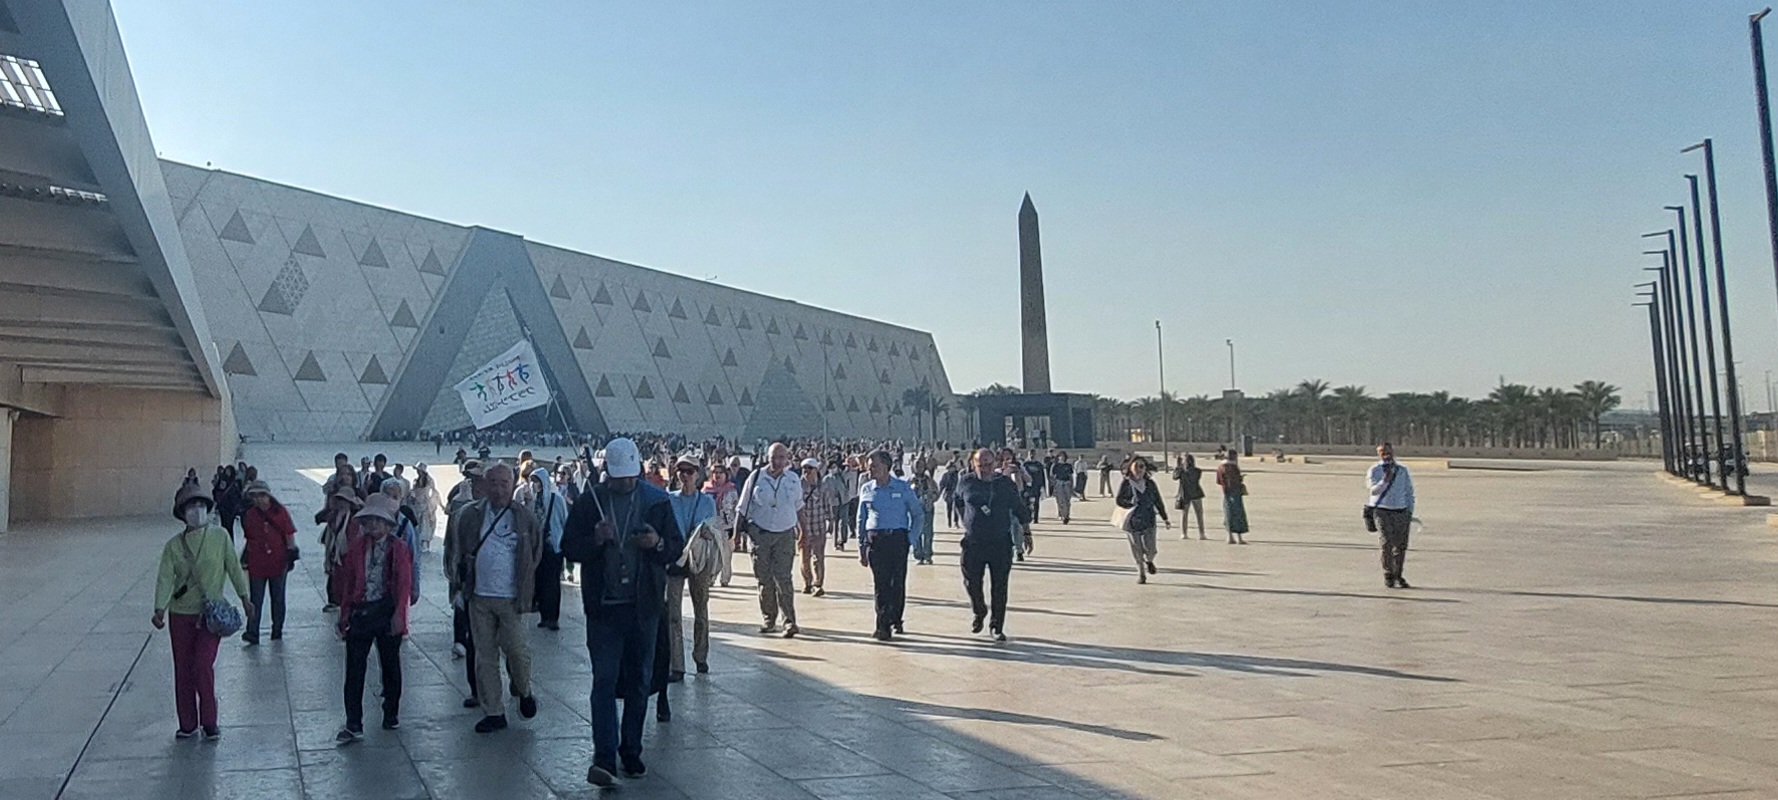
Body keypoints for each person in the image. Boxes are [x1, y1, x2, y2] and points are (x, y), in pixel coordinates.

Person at [559, 437, 682, 787]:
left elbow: (675, 546)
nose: (625, 482)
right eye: (619, 478)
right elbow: (569, 546)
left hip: (643, 606)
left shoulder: (657, 502)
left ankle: (631, 750)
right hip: (604, 608)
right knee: (604, 680)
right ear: (607, 473)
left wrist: (657, 543)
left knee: (639, 680)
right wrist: (596, 539)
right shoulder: (591, 501)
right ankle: (604, 757)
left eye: (630, 476)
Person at [445, 463, 544, 733]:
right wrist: (457, 585)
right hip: (479, 596)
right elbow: (455, 548)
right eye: (494, 483)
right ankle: (494, 711)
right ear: (485, 485)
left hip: (512, 598)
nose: (499, 489)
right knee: (484, 655)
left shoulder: (524, 517)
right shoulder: (470, 515)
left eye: (504, 483)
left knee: (517, 650)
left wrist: (527, 583)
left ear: (512, 485)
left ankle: (523, 690)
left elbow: (535, 552)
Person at [153, 481, 252, 740]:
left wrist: (245, 598)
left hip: (211, 616)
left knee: (202, 665)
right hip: (181, 615)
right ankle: (187, 723)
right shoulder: (173, 546)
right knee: (183, 669)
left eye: (200, 504)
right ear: (182, 513)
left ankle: (209, 719)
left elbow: (233, 567)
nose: (196, 509)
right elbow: (165, 578)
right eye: (191, 506)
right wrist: (159, 608)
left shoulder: (220, 537)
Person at [334, 495, 415, 742]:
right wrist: (344, 613)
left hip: (386, 611)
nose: (373, 525)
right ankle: (353, 722)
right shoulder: (357, 547)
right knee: (354, 669)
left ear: (389, 525)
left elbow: (404, 585)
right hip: (361, 611)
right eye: (369, 520)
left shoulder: (398, 548)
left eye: (379, 521)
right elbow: (349, 583)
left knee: (390, 666)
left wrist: (400, 616)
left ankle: (391, 712)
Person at [957, 449, 1027, 642]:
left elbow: (1018, 507)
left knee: (999, 586)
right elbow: (958, 501)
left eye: (988, 464)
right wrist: (966, 521)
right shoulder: (966, 482)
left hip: (999, 542)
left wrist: (1026, 531)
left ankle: (997, 626)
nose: (985, 469)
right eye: (981, 465)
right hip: (973, 543)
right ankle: (979, 610)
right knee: (971, 582)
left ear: (995, 463)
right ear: (973, 464)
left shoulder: (1004, 484)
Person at [734, 443, 803, 637]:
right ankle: (769, 618)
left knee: (784, 578)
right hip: (761, 534)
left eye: (781, 458)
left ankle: (789, 622)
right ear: (767, 457)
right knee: (764, 579)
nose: (777, 462)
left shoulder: (793, 479)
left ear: (787, 459)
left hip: (785, 534)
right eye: (774, 457)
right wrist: (736, 534)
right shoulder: (756, 477)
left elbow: (799, 506)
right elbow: (742, 506)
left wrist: (804, 531)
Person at [856, 450, 925, 641]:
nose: (870, 470)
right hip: (876, 540)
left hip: (897, 539)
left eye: (874, 466)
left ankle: (896, 617)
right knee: (881, 584)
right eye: (869, 467)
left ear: (886, 467)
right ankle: (882, 625)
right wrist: (861, 545)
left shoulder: (902, 487)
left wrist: (911, 539)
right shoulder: (867, 488)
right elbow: (861, 518)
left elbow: (918, 514)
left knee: (897, 583)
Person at [664, 459, 716, 679]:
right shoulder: (669, 499)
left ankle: (701, 656)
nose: (685, 475)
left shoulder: (707, 501)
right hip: (675, 558)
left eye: (689, 471)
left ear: (698, 474)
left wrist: (706, 533)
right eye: (681, 471)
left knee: (700, 608)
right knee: (673, 613)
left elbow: (714, 530)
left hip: (698, 558)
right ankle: (676, 665)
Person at [239, 481, 296, 645]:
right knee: (256, 599)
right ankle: (252, 631)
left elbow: (289, 534)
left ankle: (277, 629)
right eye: (255, 496)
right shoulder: (250, 514)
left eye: (261, 495)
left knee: (278, 598)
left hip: (278, 561)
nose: (258, 499)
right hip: (257, 563)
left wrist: (290, 555)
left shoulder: (280, 512)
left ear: (268, 496)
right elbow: (249, 537)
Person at [1367, 443, 1416, 589]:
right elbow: (1373, 491)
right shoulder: (1375, 470)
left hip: (1401, 510)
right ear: (1379, 454)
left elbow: (1409, 491)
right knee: (1386, 542)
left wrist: (1410, 510)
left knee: (1400, 545)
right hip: (1382, 510)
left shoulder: (1402, 470)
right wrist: (1385, 480)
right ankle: (1388, 573)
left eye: (1388, 452)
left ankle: (1398, 574)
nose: (1386, 455)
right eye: (1382, 452)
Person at [1115, 457, 1171, 583]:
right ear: (1130, 468)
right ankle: (1141, 574)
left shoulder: (1150, 484)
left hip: (1149, 520)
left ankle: (1149, 561)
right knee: (1137, 549)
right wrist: (1130, 502)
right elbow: (1119, 500)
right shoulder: (1126, 484)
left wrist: (1165, 517)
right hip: (1132, 521)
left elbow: (1158, 500)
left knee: (1151, 549)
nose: (1139, 470)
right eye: (1136, 466)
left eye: (1142, 467)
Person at [529, 469, 569, 631]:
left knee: (552, 583)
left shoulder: (556, 499)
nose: (535, 484)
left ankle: (553, 617)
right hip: (537, 547)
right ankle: (544, 616)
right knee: (540, 581)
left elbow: (564, 520)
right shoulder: (534, 499)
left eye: (537, 481)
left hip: (553, 546)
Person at [793, 458, 835, 596]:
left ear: (816, 470)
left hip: (819, 526)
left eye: (809, 468)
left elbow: (827, 504)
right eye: (804, 468)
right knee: (804, 557)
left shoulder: (822, 486)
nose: (806, 471)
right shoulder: (797, 486)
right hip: (803, 528)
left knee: (819, 557)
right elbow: (793, 506)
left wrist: (831, 522)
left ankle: (818, 584)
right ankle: (807, 582)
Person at [702, 462, 739, 587]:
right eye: (714, 472)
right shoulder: (706, 489)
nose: (717, 475)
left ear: (725, 474)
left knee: (726, 553)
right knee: (712, 554)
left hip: (727, 526)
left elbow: (737, 508)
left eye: (720, 473)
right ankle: (711, 578)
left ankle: (725, 578)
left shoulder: (731, 490)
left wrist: (737, 528)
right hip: (711, 525)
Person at [1217, 451, 1249, 544]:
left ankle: (1230, 537)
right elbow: (1236, 480)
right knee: (1238, 514)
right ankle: (1239, 538)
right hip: (1235, 492)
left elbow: (1218, 481)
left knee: (1228, 514)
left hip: (1226, 493)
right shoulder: (1234, 467)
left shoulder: (1220, 467)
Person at [1173, 454, 1207, 540]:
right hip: (1196, 493)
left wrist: (1178, 467)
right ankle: (1201, 533)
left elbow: (1175, 477)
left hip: (1186, 494)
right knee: (1199, 514)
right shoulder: (1197, 471)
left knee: (1185, 515)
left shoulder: (1182, 471)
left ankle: (1184, 533)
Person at [911, 468, 940, 565]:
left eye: (921, 465)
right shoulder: (910, 480)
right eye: (917, 466)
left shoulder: (929, 480)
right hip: (914, 510)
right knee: (916, 533)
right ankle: (918, 556)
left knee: (928, 533)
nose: (919, 468)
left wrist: (931, 499)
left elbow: (936, 492)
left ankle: (928, 555)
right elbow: (905, 493)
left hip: (928, 509)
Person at [411, 463, 439, 552]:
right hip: (417, 505)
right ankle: (419, 543)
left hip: (426, 505)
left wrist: (434, 503)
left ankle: (426, 544)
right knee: (419, 524)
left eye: (419, 471)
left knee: (427, 525)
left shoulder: (429, 480)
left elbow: (434, 492)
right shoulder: (416, 481)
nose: (418, 472)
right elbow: (414, 491)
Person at [1049, 452, 1075, 524]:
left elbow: (1071, 476)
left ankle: (1067, 515)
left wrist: (1072, 485)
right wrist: (1054, 485)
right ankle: (1063, 515)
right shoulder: (1055, 466)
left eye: (1063, 456)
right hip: (1059, 483)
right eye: (1060, 456)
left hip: (1067, 483)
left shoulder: (1068, 466)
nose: (1062, 458)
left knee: (1067, 500)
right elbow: (1052, 476)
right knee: (1061, 500)